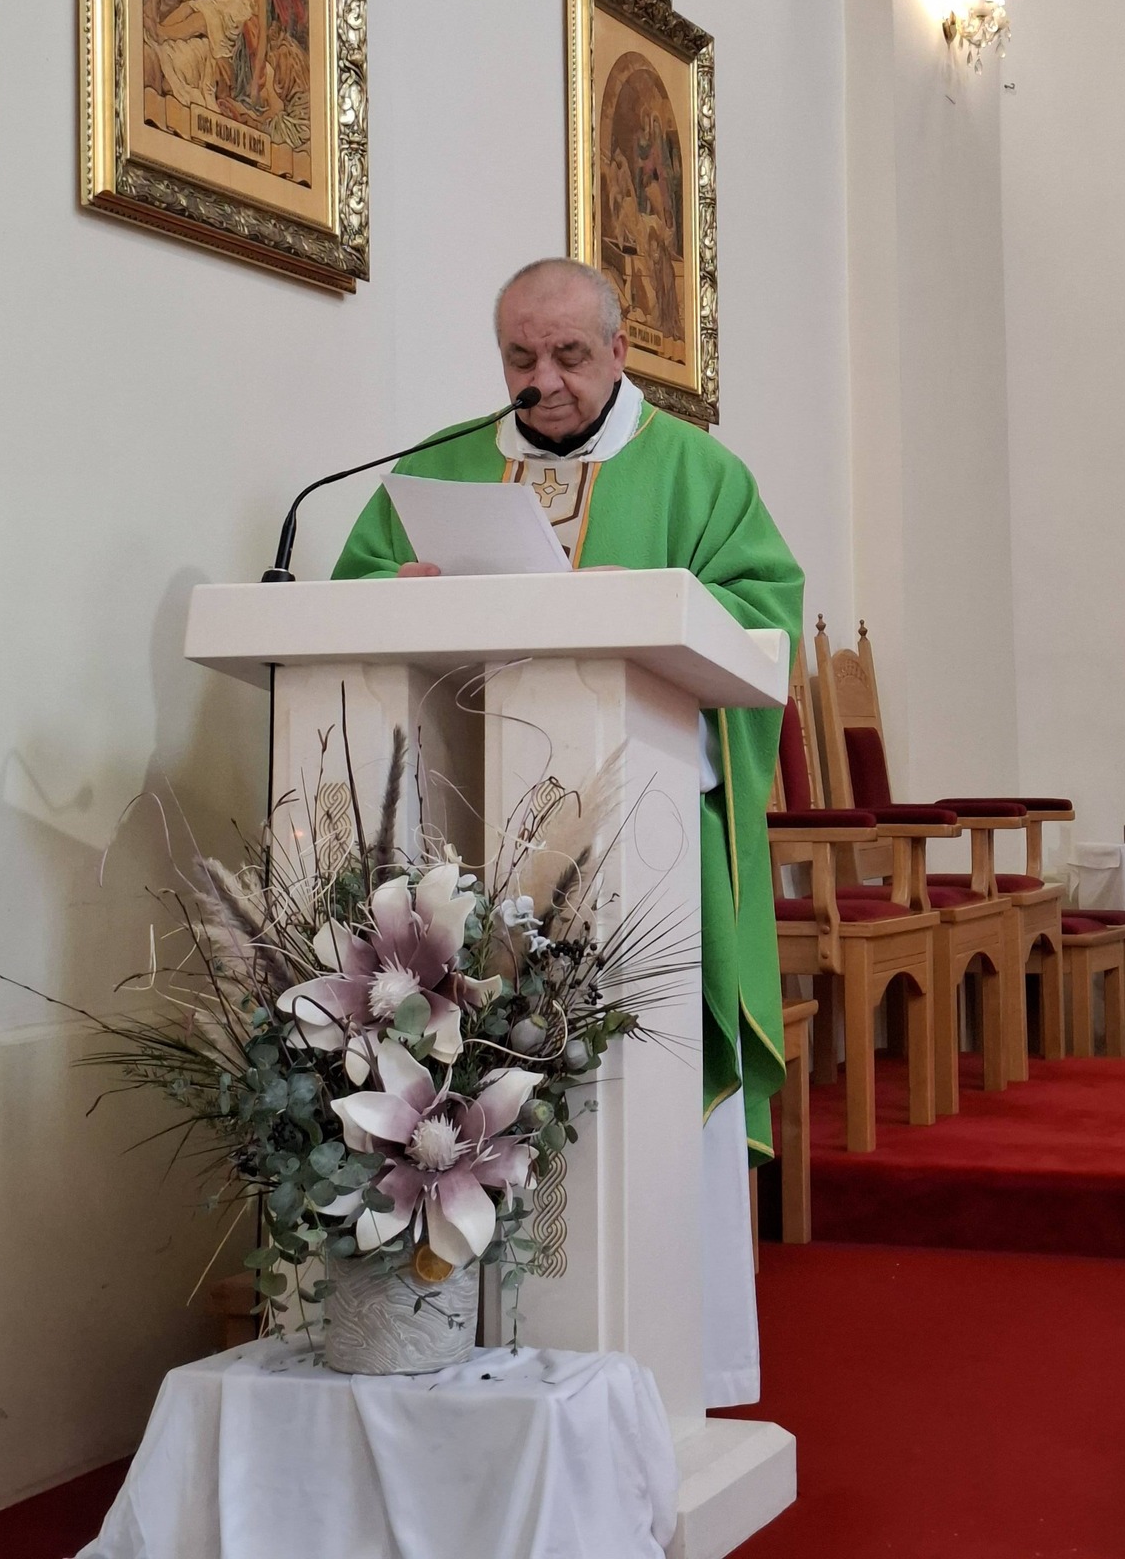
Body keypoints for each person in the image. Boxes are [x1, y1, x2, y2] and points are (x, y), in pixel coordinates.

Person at [333, 256, 803, 1406]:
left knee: (642, 1090)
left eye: (570, 355)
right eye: (520, 357)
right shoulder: (437, 468)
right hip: (461, 844)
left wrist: (647, 610)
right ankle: (441, 1333)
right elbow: (349, 597)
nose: (542, 380)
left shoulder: (697, 473)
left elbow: (763, 622)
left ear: (621, 350)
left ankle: (663, 1368)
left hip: (640, 842)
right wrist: (400, 593)